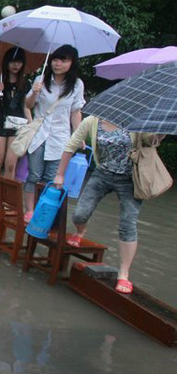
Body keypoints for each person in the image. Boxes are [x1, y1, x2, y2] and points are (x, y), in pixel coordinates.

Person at [53, 116, 162, 294]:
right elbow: (70, 146)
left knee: (128, 224)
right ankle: (81, 231)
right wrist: (60, 174)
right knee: (79, 214)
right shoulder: (92, 121)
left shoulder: (137, 121)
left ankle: (124, 274)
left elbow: (150, 141)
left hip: (129, 179)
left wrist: (160, 133)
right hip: (102, 174)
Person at [22, 44, 85, 220]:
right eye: (55, 60)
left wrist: (79, 136)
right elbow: (28, 105)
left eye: (63, 60)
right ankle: (29, 210)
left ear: (72, 63)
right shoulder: (41, 79)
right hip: (38, 134)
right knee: (34, 175)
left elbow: (75, 112)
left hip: (60, 137)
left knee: (52, 177)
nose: (58, 64)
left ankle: (44, 211)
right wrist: (34, 93)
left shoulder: (77, 85)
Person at [0, 46, 31, 208]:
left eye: (19, 62)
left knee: (11, 164)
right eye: (12, 62)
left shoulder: (25, 84)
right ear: (6, 63)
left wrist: (32, 127)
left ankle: (6, 198)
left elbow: (26, 107)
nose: (15, 65)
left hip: (18, 126)